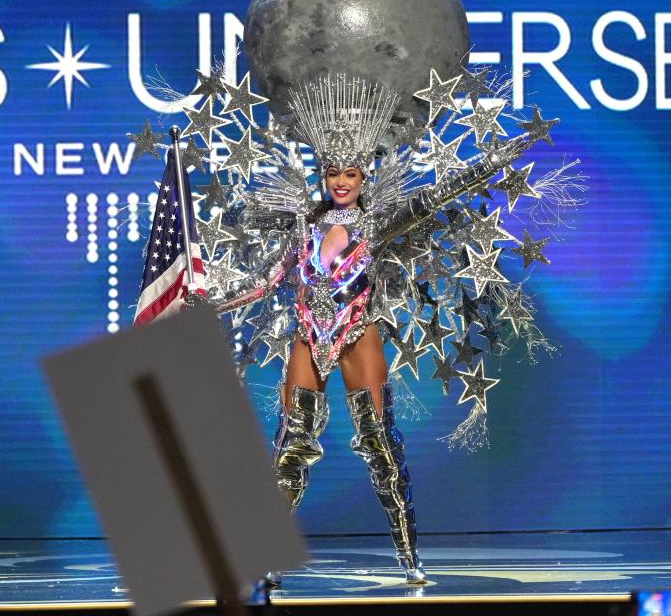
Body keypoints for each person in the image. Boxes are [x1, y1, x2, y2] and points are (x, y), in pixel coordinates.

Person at [212, 74, 532, 585]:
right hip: (306, 335)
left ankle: (409, 557)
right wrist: (207, 301)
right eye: (333, 172)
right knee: (290, 446)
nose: (341, 182)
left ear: (365, 177)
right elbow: (267, 280)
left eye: (351, 174)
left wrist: (495, 161)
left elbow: (437, 195)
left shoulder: (378, 222)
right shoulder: (302, 226)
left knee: (379, 444)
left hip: (358, 333)